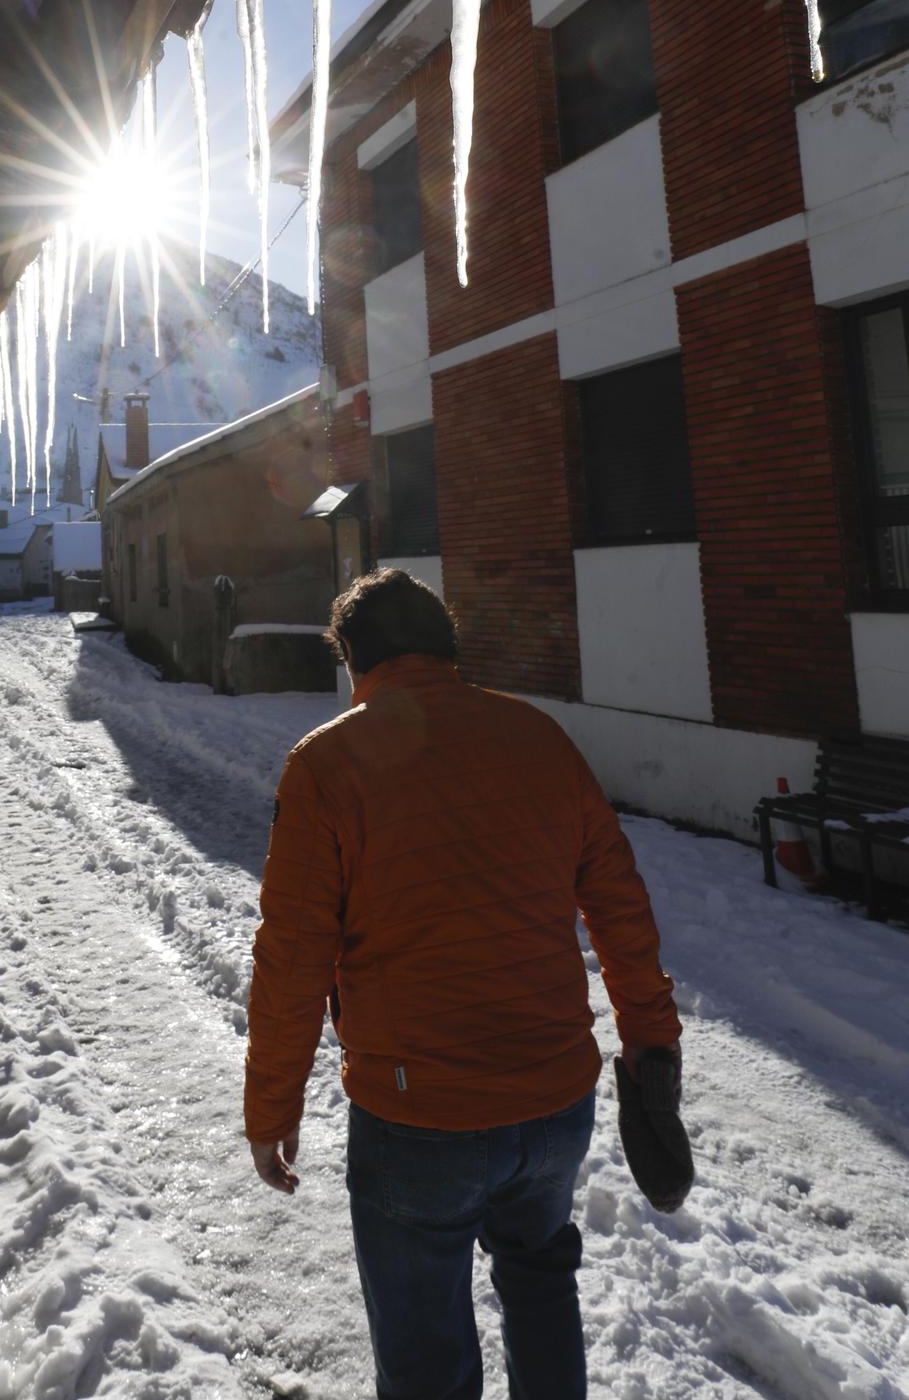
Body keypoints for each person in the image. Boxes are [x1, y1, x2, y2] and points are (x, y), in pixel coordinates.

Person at [243, 568, 681, 1400]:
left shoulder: (326, 765)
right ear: (447, 649)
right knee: (540, 1274)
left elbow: (292, 956)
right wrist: (651, 1045)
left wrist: (271, 1109)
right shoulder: (539, 737)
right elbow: (620, 904)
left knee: (423, 1359)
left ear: (353, 663)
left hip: (417, 1115)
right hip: (555, 1100)